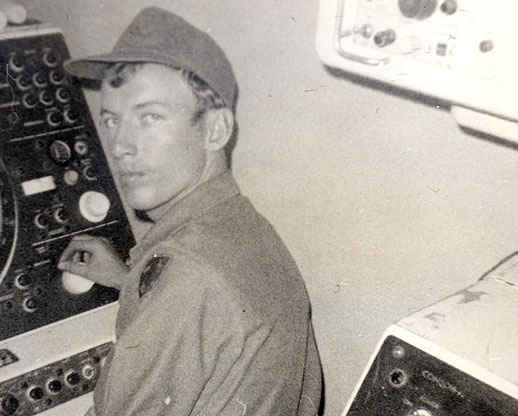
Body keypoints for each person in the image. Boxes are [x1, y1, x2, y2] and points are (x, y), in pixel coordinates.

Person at [58, 6, 323, 416]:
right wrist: (129, 281)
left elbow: (193, 292)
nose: (121, 144)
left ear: (215, 130)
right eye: (111, 120)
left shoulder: (188, 272)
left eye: (150, 117)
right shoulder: (240, 227)